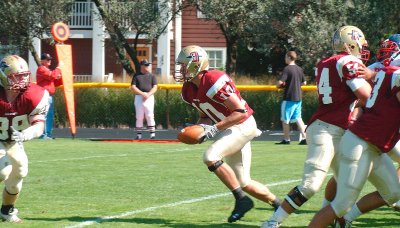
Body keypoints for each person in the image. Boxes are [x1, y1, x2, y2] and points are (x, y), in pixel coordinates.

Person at [261, 25, 372, 228]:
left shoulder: (326, 63)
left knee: (345, 181)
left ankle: (330, 218)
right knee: (311, 184)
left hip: (337, 129)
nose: (362, 49)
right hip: (327, 129)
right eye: (359, 44)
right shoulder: (348, 61)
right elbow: (366, 96)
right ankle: (273, 222)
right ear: (350, 45)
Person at [175, 45, 281, 223]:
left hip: (243, 125)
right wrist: (199, 128)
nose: (181, 69)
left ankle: (241, 200)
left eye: (184, 65)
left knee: (210, 156)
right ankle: (281, 205)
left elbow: (240, 111)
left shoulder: (213, 79)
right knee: (244, 182)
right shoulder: (188, 90)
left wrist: (214, 129)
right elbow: (205, 115)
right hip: (230, 130)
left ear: (196, 64)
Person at [308, 65, 400, 228]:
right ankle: (338, 217)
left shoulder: (390, 71)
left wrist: (371, 74)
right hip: (360, 142)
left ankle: (344, 220)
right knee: (342, 204)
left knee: (393, 193)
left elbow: (382, 75)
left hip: (374, 145)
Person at [331, 35, 400, 227]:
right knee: (346, 184)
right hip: (377, 131)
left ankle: (339, 214)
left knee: (345, 176)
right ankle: (335, 211)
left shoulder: (376, 69)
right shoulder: (383, 70)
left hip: (379, 131)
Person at [0, 55, 49, 223]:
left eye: (24, 76)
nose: (22, 81)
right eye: (16, 77)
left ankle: (7, 211)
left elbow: (39, 126)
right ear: (3, 76)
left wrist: (24, 135)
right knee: (2, 170)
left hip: (13, 140)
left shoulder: (34, 94)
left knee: (19, 172)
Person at [275, 51, 307, 145]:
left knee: (285, 120)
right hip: (298, 98)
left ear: (289, 57)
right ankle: (305, 138)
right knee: (298, 118)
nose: (285, 59)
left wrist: (278, 85)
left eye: (286, 57)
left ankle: (286, 139)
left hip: (289, 97)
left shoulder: (287, 69)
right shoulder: (299, 69)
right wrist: (295, 84)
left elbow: (280, 83)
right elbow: (304, 83)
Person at [36, 53, 62, 140]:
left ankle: (48, 134)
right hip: (43, 96)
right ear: (42, 60)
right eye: (47, 59)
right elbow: (52, 75)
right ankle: (43, 135)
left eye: (49, 59)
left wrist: (61, 77)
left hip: (49, 96)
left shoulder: (47, 70)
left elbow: (56, 83)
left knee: (50, 116)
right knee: (44, 115)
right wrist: (58, 68)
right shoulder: (41, 69)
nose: (49, 61)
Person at [130, 60, 158, 139]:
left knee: (150, 115)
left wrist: (148, 94)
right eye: (146, 65)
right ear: (141, 66)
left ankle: (152, 134)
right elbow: (133, 87)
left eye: (148, 65)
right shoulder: (136, 75)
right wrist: (142, 94)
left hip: (149, 97)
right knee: (139, 116)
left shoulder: (152, 76)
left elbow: (155, 87)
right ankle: (139, 135)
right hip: (139, 97)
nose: (147, 67)